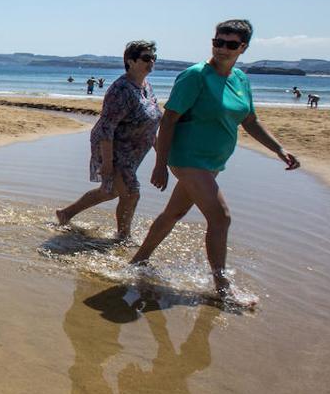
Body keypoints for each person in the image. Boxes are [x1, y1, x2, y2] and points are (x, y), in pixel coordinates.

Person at [129, 19, 300, 302]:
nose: (221, 49)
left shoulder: (240, 79)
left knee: (174, 213)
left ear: (243, 47)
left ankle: (137, 262)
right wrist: (161, 164)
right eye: (217, 42)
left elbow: (250, 120)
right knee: (221, 218)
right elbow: (169, 119)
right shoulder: (195, 76)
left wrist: (279, 149)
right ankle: (222, 287)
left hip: (213, 161)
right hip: (187, 157)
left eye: (230, 44)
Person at [55, 41, 161, 239]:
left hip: (133, 152)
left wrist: (161, 154)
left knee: (109, 191)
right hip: (114, 148)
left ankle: (65, 214)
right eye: (146, 58)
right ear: (130, 61)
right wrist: (107, 161)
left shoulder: (146, 86)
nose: (151, 62)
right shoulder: (121, 89)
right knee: (131, 192)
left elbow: (150, 122)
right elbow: (106, 127)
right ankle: (123, 237)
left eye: (154, 58)